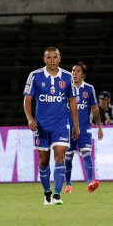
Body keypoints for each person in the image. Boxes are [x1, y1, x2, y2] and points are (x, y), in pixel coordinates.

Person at [23, 46, 79, 205]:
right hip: (41, 125)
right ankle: (47, 192)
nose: (52, 60)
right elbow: (28, 99)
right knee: (44, 160)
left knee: (60, 156)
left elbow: (72, 101)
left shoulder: (68, 77)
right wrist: (29, 118)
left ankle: (56, 195)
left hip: (61, 124)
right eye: (49, 57)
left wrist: (76, 124)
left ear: (60, 59)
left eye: (55, 57)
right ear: (44, 59)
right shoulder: (35, 76)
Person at [64, 62, 103, 194]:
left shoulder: (89, 89)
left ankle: (90, 182)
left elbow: (95, 109)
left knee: (87, 154)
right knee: (68, 157)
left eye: (78, 71)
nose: (74, 73)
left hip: (84, 128)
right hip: (68, 129)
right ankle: (68, 184)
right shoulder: (65, 88)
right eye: (73, 70)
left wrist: (99, 126)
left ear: (83, 74)